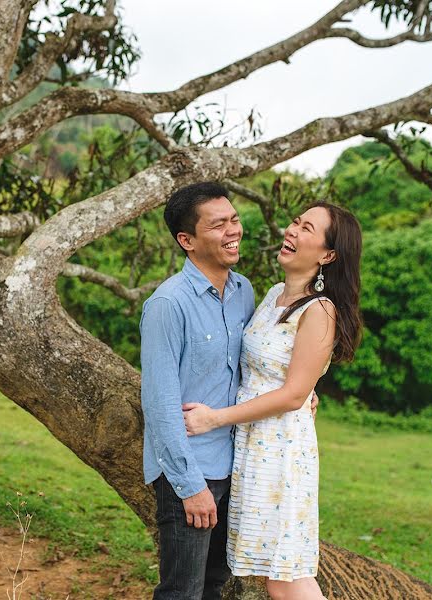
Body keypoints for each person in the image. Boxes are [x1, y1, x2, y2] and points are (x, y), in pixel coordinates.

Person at [183, 202, 363, 600]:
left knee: (284, 575)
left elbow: (293, 393)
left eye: (307, 229)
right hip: (254, 445)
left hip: (280, 449)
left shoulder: (320, 310)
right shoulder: (273, 295)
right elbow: (274, 371)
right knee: (272, 572)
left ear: (328, 255)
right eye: (295, 221)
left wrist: (215, 419)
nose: (293, 230)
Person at [140, 182, 256, 600]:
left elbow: (252, 368)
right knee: (181, 592)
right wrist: (191, 487)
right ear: (187, 241)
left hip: (236, 464)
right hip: (190, 471)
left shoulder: (244, 292)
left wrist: (302, 394)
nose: (233, 231)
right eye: (219, 224)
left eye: (235, 219)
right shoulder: (167, 304)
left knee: (214, 586)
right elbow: (159, 403)